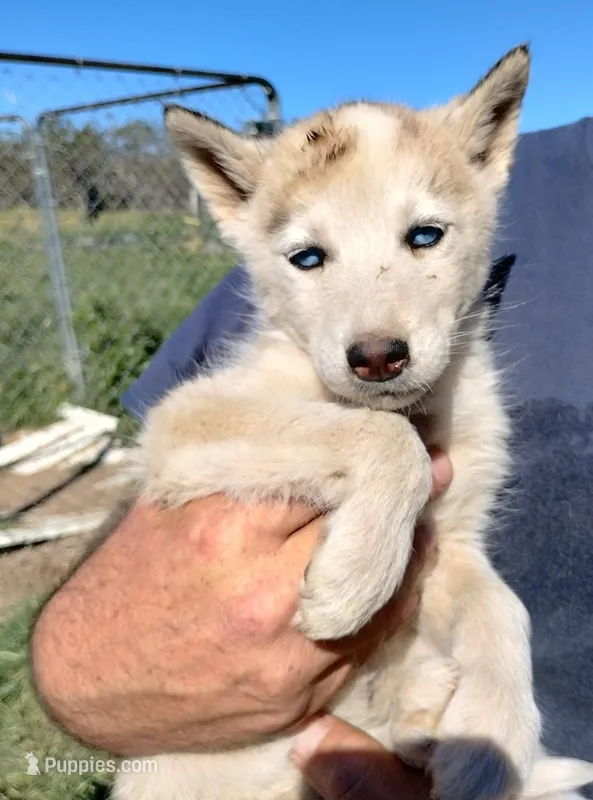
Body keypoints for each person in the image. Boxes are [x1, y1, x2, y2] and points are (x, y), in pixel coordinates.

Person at [31, 115, 593, 799]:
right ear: (234, 204)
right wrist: (380, 454)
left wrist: (495, 659)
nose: (373, 332)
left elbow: (450, 556)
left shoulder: (469, 391)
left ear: (485, 162)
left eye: (423, 236)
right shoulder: (280, 367)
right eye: (308, 257)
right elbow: (177, 437)